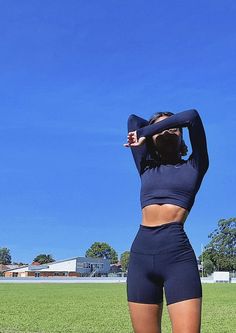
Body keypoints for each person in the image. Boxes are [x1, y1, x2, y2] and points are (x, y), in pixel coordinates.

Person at [123, 109, 209, 333]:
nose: (168, 129)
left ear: (182, 137)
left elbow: (192, 117)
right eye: (161, 129)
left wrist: (151, 129)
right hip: (141, 257)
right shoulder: (146, 166)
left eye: (174, 127)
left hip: (177, 256)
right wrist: (147, 133)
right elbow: (133, 120)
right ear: (150, 140)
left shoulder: (195, 165)